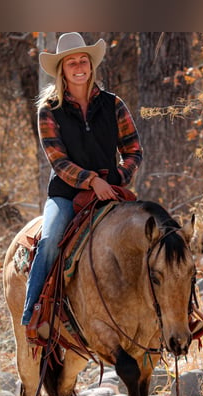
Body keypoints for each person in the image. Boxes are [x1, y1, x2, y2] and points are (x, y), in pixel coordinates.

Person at [21, 32, 143, 331]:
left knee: (148, 239)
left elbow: (133, 150)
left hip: (111, 192)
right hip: (66, 194)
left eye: (83, 60)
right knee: (49, 242)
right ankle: (34, 314)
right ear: (62, 69)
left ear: (91, 65)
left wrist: (117, 179)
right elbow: (58, 161)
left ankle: (151, 315)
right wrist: (91, 182)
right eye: (71, 62)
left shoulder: (114, 105)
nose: (78, 66)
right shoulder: (49, 109)